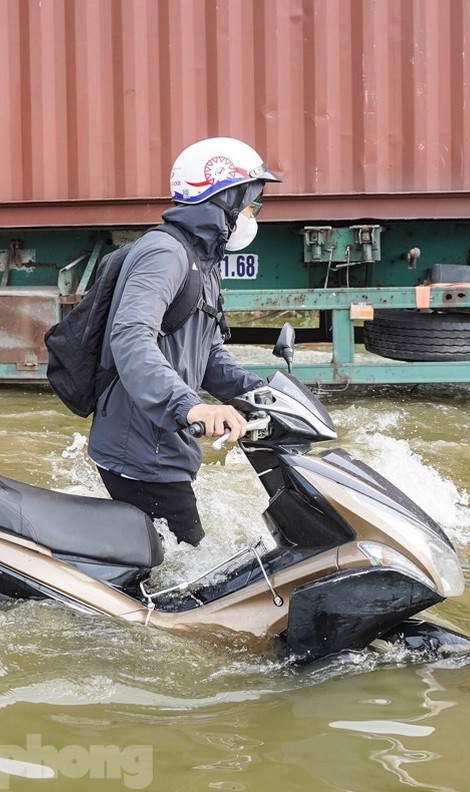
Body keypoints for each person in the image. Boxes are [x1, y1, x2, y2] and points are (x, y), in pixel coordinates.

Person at [88, 136, 282, 546]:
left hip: (162, 442)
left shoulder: (203, 263)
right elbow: (131, 337)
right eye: (251, 203)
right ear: (224, 199)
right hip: (140, 452)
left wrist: (259, 390)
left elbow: (205, 352)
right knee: (188, 582)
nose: (253, 215)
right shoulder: (165, 254)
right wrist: (190, 405)